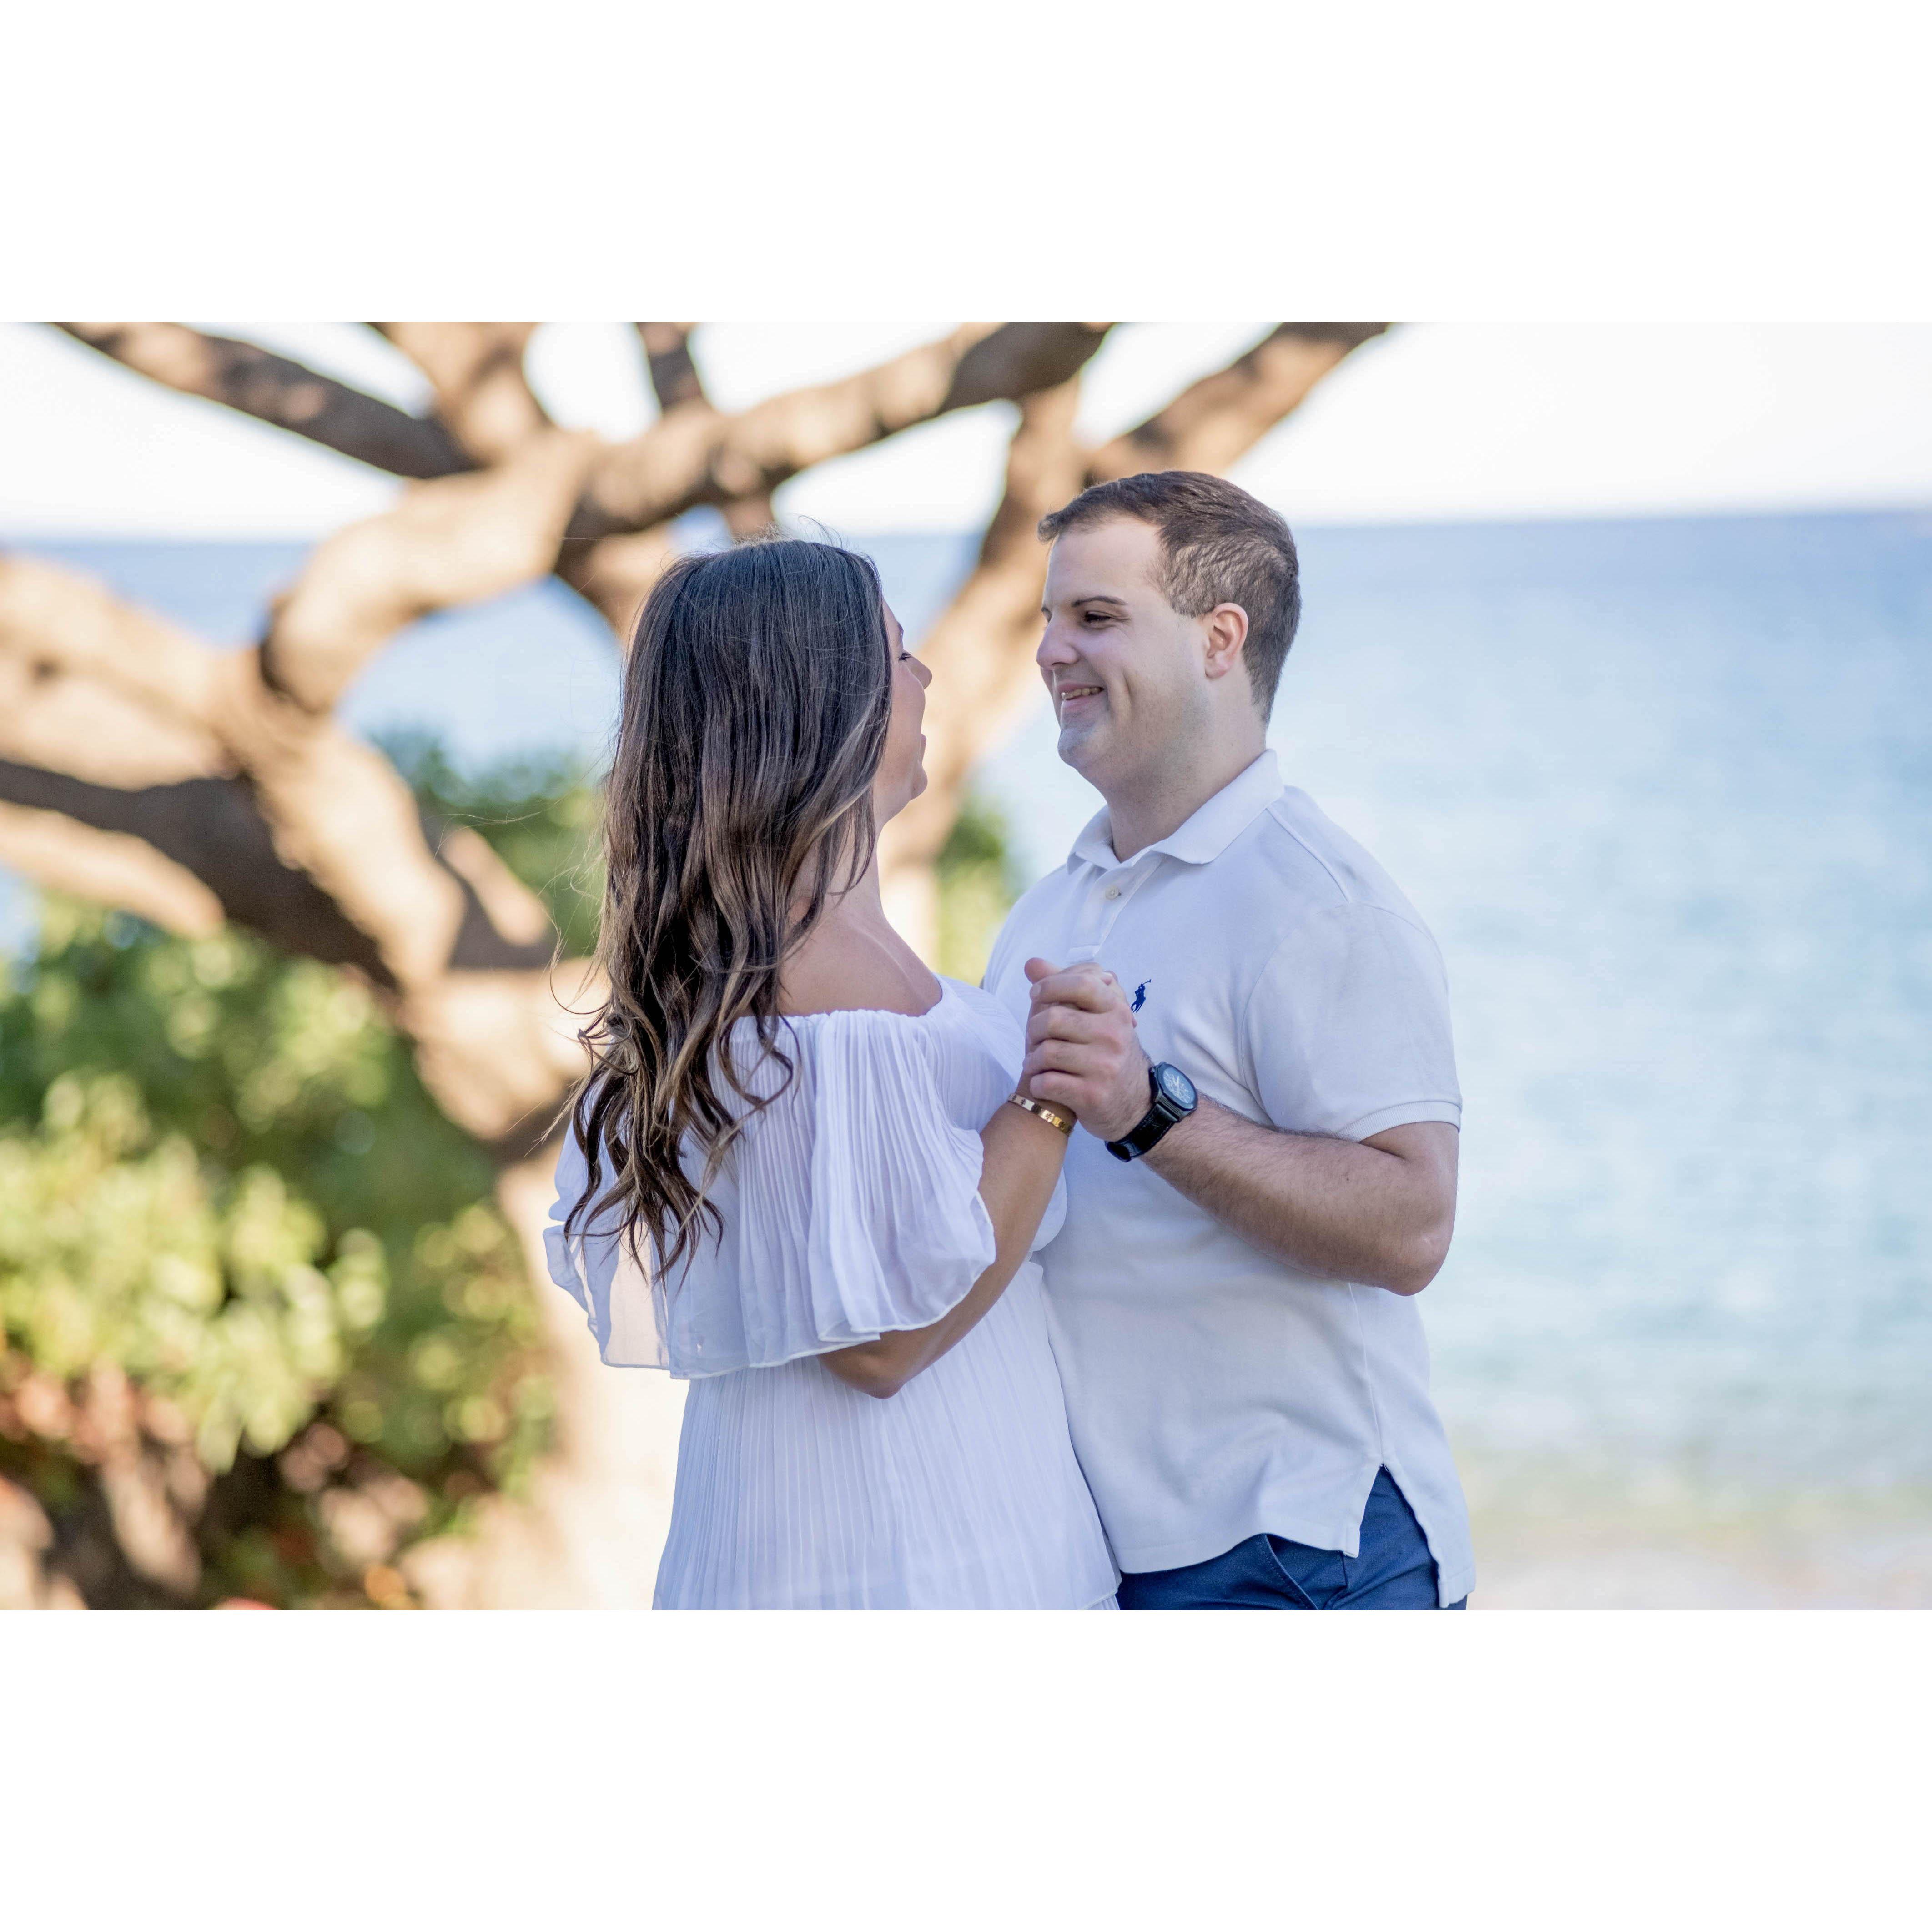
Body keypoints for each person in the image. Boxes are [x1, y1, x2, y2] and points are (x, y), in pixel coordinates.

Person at [543, 538, 1119, 1610]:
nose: (928, 675)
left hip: (937, 1531)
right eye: (898, 655)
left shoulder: (798, 955)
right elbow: (884, 1342)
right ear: (827, 704)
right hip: (901, 1556)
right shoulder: (811, 973)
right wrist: (1047, 1094)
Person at [984, 471, 1474, 1610]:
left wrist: (1147, 1110)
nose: (1051, 651)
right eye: (1051, 617)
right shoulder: (1050, 911)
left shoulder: (1319, 903)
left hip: (1303, 1552)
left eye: (1095, 618)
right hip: (1109, 1557)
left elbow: (1414, 1224)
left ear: (1219, 640)